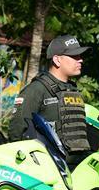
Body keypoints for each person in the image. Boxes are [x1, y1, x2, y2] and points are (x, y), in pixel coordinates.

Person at [9, 34, 91, 162]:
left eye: (80, 56)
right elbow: (17, 132)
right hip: (51, 168)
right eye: (74, 56)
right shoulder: (36, 89)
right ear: (57, 60)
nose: (80, 60)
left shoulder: (72, 89)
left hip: (78, 165)